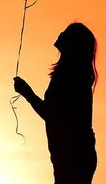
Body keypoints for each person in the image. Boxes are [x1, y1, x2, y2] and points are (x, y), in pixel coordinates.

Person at [13, 22, 98, 184]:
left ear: (73, 45)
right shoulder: (70, 75)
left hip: (73, 155)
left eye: (66, 32)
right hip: (73, 154)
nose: (60, 33)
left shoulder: (71, 77)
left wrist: (27, 93)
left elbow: (52, 114)